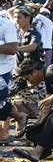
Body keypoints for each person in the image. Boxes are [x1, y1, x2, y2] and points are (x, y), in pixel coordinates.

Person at [0, 9, 27, 142]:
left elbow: (12, 49)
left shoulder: (6, 24)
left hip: (2, 69)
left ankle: (19, 116)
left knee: (0, 102)